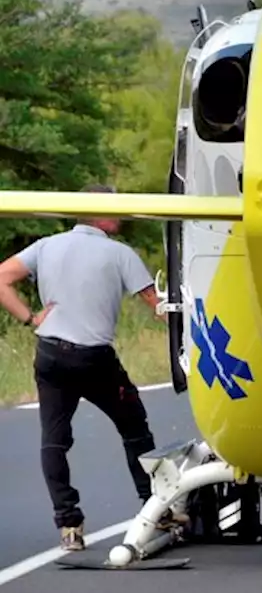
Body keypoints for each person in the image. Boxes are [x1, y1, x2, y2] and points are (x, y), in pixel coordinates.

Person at [0, 184, 164, 551]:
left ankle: (69, 525)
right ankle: (156, 507)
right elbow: (157, 306)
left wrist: (30, 318)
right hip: (94, 359)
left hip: (51, 354)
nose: (120, 215)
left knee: (54, 440)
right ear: (101, 214)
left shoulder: (45, 246)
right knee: (135, 428)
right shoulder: (120, 253)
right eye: (116, 208)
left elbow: (0, 278)